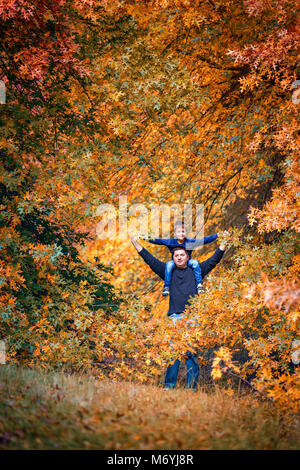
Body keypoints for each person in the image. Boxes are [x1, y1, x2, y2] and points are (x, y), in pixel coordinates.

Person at [130, 232, 229, 390]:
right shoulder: (167, 271)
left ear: (187, 257)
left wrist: (223, 244)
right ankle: (169, 387)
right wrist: (136, 243)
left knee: (191, 355)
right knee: (173, 354)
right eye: (176, 255)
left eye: (182, 254)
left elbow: (214, 260)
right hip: (175, 318)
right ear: (173, 257)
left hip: (193, 318)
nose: (179, 257)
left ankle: (191, 389)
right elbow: (150, 260)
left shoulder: (197, 270)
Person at [142, 221, 219, 296]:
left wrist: (216, 235)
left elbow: (203, 240)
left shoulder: (190, 242)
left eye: (183, 231)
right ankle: (167, 286)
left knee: (195, 263)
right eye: (179, 232)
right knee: (168, 264)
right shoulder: (171, 242)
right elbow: (158, 241)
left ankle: (199, 284)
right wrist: (145, 237)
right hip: (175, 263)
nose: (181, 234)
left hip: (187, 262)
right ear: (175, 234)